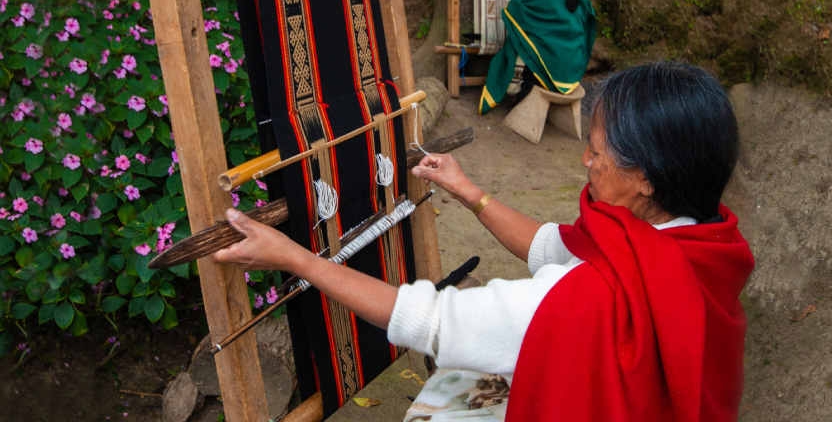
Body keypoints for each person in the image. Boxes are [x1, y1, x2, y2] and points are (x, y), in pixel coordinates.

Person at [213, 61, 755, 421]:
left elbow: (428, 319)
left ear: (647, 178)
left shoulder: (587, 297)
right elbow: (553, 246)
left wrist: (295, 257)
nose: (585, 160)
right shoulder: (700, 245)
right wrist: (468, 191)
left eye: (596, 150)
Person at [480, 0, 596, 114]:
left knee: (519, 40)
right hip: (571, 70)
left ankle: (524, 89)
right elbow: (588, 26)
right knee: (534, 41)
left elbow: (514, 12)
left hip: (549, 66)